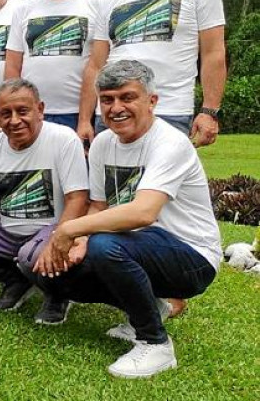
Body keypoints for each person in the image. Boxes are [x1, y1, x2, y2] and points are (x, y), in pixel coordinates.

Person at [18, 60, 221, 379]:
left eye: (127, 97)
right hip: (136, 247)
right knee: (45, 267)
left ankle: (155, 343)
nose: (116, 108)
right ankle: (153, 305)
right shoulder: (102, 143)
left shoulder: (170, 143)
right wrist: (78, 242)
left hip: (191, 256)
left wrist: (70, 229)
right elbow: (98, 206)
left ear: (151, 101)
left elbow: (143, 213)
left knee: (105, 246)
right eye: (108, 99)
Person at [77, 0, 227, 148]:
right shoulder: (110, 0)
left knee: (162, 185)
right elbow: (96, 64)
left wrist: (209, 111)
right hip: (111, 114)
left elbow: (213, 52)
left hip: (169, 112)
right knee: (114, 184)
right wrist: (85, 119)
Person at [0, 79, 88, 323]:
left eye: (23, 111)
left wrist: (59, 240)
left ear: (40, 109)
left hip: (51, 230)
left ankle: (58, 294)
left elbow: (77, 198)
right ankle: (18, 279)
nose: (14, 120)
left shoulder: (64, 139)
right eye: (5, 114)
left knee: (29, 255)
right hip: (8, 232)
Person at [4, 0, 104, 131]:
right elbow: (13, 67)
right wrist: (16, 110)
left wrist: (84, 120)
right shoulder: (23, 9)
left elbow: (99, 64)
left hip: (81, 114)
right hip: (33, 114)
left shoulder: (98, 2)